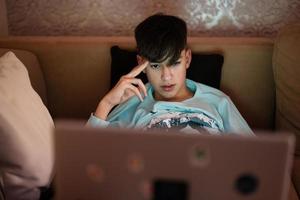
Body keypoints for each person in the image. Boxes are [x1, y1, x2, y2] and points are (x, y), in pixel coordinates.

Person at [87, 13, 253, 135]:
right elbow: (87, 155)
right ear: (141, 64)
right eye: (155, 65)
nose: (166, 76)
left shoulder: (218, 102)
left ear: (187, 59)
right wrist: (107, 103)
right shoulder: (134, 103)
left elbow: (253, 155)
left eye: (174, 63)